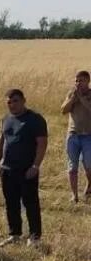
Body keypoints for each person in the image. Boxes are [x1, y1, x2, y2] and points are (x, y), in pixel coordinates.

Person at [0, 89, 48, 247]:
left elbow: (42, 144)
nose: (12, 105)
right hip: (7, 168)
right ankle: (14, 234)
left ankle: (34, 236)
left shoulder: (35, 119)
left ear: (24, 100)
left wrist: (36, 166)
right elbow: (2, 139)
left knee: (30, 202)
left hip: (27, 169)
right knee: (11, 203)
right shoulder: (6, 119)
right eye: (9, 102)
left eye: (15, 101)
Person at [60, 70, 91, 203]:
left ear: (88, 82)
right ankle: (74, 195)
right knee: (72, 167)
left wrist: (81, 98)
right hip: (72, 135)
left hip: (88, 136)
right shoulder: (71, 94)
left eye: (81, 80)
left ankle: (89, 185)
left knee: (88, 165)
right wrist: (73, 99)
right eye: (76, 80)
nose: (78, 83)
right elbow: (63, 110)